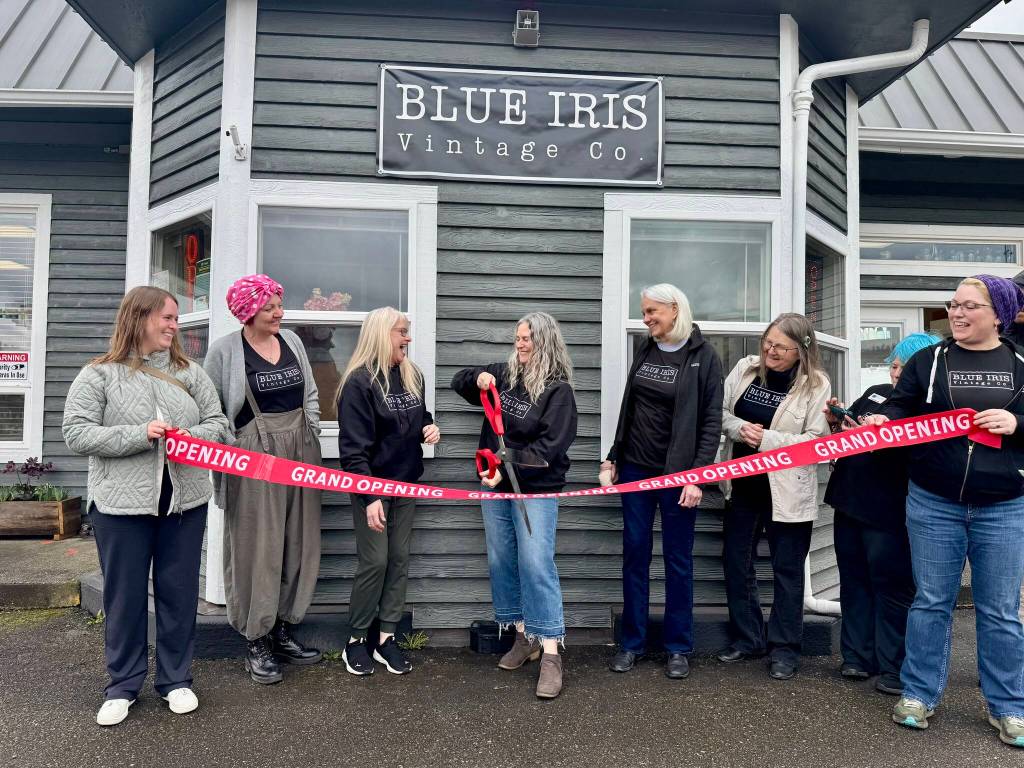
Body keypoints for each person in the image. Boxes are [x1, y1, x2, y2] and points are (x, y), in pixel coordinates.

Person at [863, 276, 1024, 748]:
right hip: (934, 502)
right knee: (931, 600)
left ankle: (1009, 707)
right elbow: (900, 408)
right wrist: (883, 421)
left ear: (998, 314)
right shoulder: (928, 361)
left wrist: (1017, 422)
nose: (956, 313)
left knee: (1000, 610)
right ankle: (918, 695)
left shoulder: (1019, 363)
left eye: (970, 306)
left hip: (1004, 506)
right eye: (953, 304)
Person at [63, 286, 229, 726]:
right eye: (168, 318)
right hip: (119, 510)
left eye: (177, 318)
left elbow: (219, 424)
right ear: (139, 318)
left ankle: (176, 681)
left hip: (184, 506)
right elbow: (77, 433)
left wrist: (192, 439)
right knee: (125, 598)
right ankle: (122, 686)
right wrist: (141, 434)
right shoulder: (98, 375)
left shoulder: (190, 372)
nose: (175, 326)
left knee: (178, 597)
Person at [204, 274, 323, 685]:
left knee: (298, 540)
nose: (279, 312)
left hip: (300, 448)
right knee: (259, 544)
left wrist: (313, 427)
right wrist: (233, 449)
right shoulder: (224, 351)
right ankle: (256, 638)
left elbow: (310, 392)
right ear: (248, 311)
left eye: (278, 305)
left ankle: (282, 629)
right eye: (270, 307)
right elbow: (212, 410)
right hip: (253, 456)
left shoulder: (292, 342)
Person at [452, 312, 577, 698]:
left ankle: (552, 651)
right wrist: (478, 378)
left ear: (545, 341)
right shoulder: (505, 374)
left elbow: (549, 448)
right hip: (495, 486)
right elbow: (459, 381)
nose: (520, 344)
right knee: (502, 560)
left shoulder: (558, 390)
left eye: (527, 339)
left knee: (536, 563)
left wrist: (503, 473)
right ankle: (524, 636)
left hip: (534, 488)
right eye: (517, 338)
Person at [602, 284, 724, 679]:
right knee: (635, 554)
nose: (647, 318)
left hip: (680, 475)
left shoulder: (704, 356)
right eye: (645, 312)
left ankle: (677, 647)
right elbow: (629, 407)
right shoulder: (646, 347)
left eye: (652, 311)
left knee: (677, 558)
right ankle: (632, 643)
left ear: (675, 310)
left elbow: (710, 422)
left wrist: (698, 477)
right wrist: (614, 456)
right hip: (636, 468)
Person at [716, 313, 831, 681]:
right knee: (737, 561)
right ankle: (748, 638)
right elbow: (718, 412)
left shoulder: (816, 386)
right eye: (768, 342)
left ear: (802, 350)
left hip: (788, 490)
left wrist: (766, 440)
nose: (771, 351)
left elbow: (815, 443)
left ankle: (784, 649)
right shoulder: (746, 369)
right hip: (742, 485)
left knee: (787, 570)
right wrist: (739, 427)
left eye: (781, 347)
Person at [823, 333, 939, 695]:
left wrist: (879, 440)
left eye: (904, 366)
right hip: (849, 499)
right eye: (893, 363)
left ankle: (894, 666)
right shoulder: (874, 391)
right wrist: (838, 423)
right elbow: (849, 430)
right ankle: (857, 657)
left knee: (891, 586)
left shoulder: (927, 409)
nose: (895, 371)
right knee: (853, 580)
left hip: (891, 509)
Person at [337, 307, 439, 677]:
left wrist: (430, 428)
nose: (407, 339)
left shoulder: (413, 376)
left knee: (398, 559)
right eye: (402, 332)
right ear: (382, 335)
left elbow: (419, 417)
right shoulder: (359, 384)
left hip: (407, 483)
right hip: (372, 488)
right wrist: (369, 497)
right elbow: (352, 450)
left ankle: (386, 637)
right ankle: (356, 639)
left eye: (408, 331)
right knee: (375, 561)